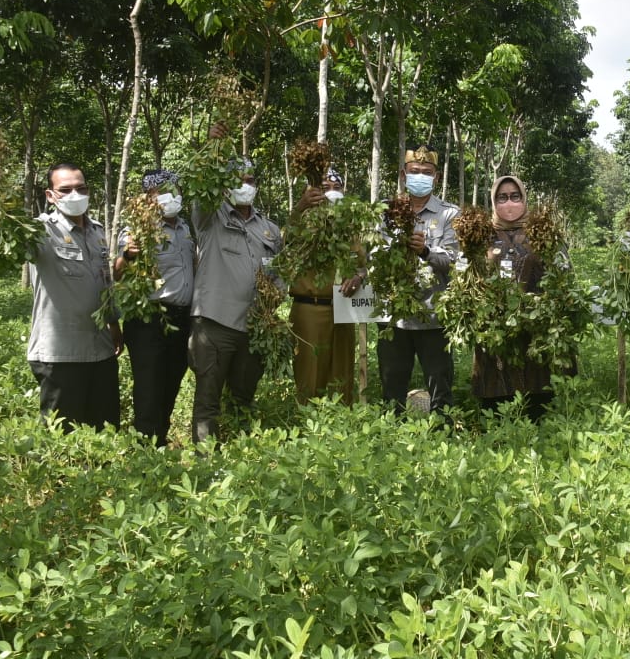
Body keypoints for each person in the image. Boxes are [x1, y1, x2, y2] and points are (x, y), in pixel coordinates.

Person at [188, 124, 283, 443]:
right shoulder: (210, 218)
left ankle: (240, 454)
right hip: (215, 324)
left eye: (250, 181)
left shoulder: (268, 228)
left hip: (254, 327)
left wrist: (276, 295)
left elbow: (279, 270)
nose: (245, 186)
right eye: (237, 181)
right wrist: (212, 153)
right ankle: (205, 461)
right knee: (207, 400)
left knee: (243, 396)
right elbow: (202, 190)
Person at [27, 162, 122, 431]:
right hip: (60, 355)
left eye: (80, 189)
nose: (74, 196)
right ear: (50, 195)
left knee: (105, 432)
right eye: (65, 190)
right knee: (63, 439)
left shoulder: (97, 232)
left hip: (100, 350)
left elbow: (105, 282)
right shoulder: (40, 232)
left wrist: (114, 325)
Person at [470, 175, 568, 422]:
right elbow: (468, 274)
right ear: (493, 201)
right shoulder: (481, 233)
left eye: (515, 196)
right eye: (502, 197)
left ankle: (538, 426)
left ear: (524, 198)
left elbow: (563, 273)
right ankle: (497, 429)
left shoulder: (541, 231)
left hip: (536, 325)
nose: (509, 203)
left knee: (536, 381)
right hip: (493, 325)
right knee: (495, 379)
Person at [375, 144, 459, 414]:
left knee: (440, 384)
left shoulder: (449, 214)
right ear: (403, 175)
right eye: (414, 171)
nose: (420, 176)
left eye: (426, 172)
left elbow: (452, 260)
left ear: (435, 177)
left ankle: (443, 432)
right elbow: (374, 254)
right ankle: (391, 435)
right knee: (392, 383)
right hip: (393, 316)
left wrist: (424, 251)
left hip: (433, 315)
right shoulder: (385, 212)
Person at [114, 169, 195, 446]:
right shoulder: (137, 229)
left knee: (172, 382)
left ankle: (159, 439)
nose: (172, 196)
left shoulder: (185, 228)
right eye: (162, 191)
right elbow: (117, 273)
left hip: (182, 320)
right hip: (149, 320)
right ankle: (145, 449)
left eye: (175, 189)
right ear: (148, 198)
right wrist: (127, 255)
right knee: (149, 387)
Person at [289, 167, 362, 406]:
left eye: (336, 188)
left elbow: (364, 263)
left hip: (344, 308)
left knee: (342, 377)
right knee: (310, 375)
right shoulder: (302, 221)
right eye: (325, 189)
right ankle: (307, 427)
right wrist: (300, 208)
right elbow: (285, 244)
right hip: (311, 308)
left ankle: (341, 430)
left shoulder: (350, 227)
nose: (331, 193)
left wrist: (359, 276)